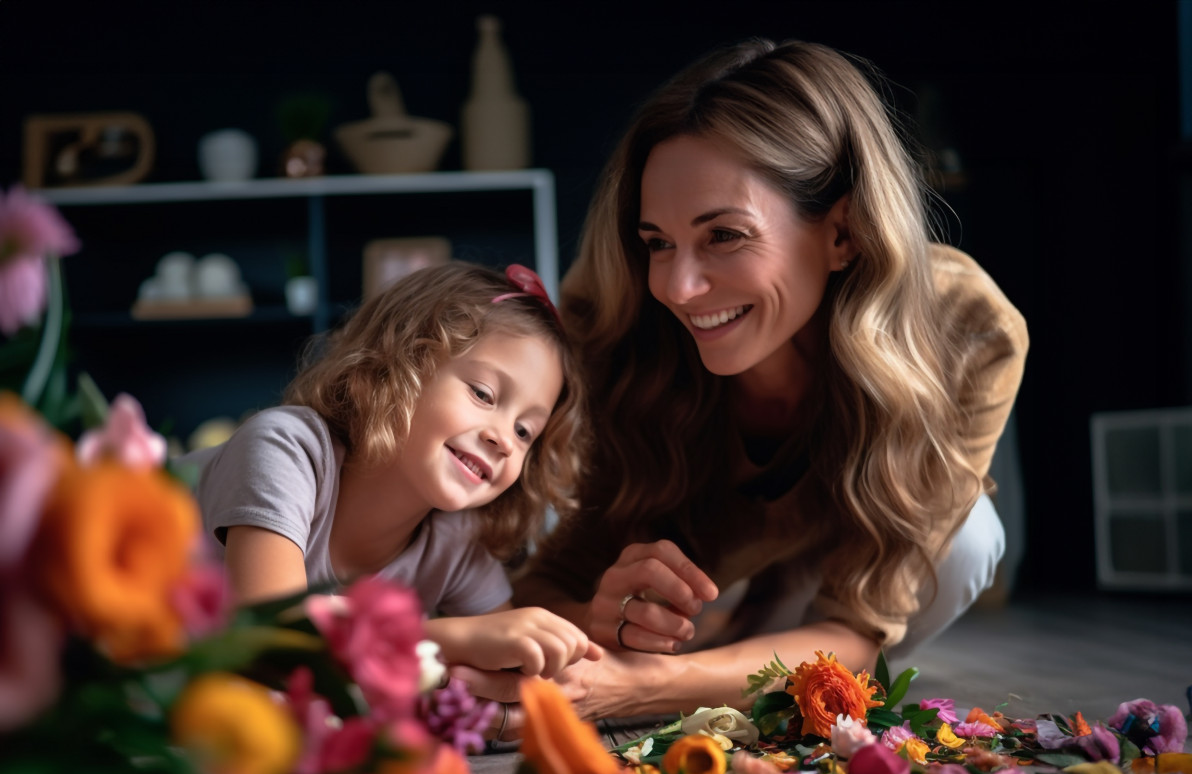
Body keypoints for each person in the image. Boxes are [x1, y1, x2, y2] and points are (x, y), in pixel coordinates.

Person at [454, 37, 1028, 728]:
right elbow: (551, 579)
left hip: (843, 570)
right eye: (657, 241)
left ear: (841, 231)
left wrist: (642, 687)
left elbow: (856, 628)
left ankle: (754, 664)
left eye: (724, 235)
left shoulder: (967, 329)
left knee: (970, 536)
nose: (678, 285)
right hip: (719, 585)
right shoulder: (615, 317)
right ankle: (739, 652)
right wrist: (600, 617)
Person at [189, 261, 600, 699]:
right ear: (399, 365)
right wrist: (451, 640)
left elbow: (502, 674)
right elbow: (279, 645)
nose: (503, 439)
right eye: (483, 394)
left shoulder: (457, 540)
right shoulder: (284, 449)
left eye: (525, 432)